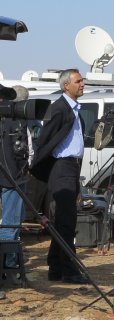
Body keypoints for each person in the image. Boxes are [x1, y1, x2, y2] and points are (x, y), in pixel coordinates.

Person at [30, 69, 88, 284]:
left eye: (82, 80)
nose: (83, 84)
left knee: (63, 221)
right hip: (61, 168)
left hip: (72, 169)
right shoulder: (59, 108)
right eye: (78, 81)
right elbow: (45, 141)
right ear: (66, 86)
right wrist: (41, 167)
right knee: (66, 222)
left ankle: (55, 268)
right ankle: (70, 271)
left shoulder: (75, 110)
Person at [0, 85, 32, 267]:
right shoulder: (14, 122)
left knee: (11, 225)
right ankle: (8, 266)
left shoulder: (14, 122)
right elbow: (22, 153)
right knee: (10, 225)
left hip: (13, 178)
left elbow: (22, 151)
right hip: (13, 179)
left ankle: (8, 265)